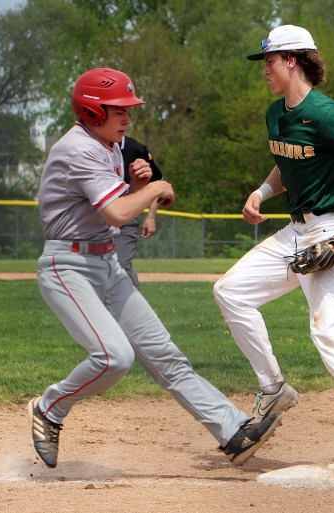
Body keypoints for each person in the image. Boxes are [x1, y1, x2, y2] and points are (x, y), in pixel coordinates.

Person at [30, 67, 280, 469]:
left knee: (166, 356)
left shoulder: (109, 145)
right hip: (68, 265)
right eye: (119, 110)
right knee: (114, 358)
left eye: (129, 110)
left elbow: (105, 208)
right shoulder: (81, 149)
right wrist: (152, 189)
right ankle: (49, 408)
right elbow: (114, 213)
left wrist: (134, 186)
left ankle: (232, 430)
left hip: (105, 263)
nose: (128, 117)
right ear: (93, 111)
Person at [213, 25, 334, 475]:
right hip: (295, 232)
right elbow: (287, 159)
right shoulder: (277, 113)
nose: (265, 72)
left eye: (269, 62)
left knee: (328, 332)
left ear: (292, 60)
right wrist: (262, 191)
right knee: (230, 292)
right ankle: (274, 388)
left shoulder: (328, 113)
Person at [115, 135, 164, 289]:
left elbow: (157, 182)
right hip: (96, 219)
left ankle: (136, 306)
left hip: (126, 217)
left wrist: (151, 216)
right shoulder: (92, 146)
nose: (125, 120)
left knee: (121, 264)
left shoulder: (135, 148)